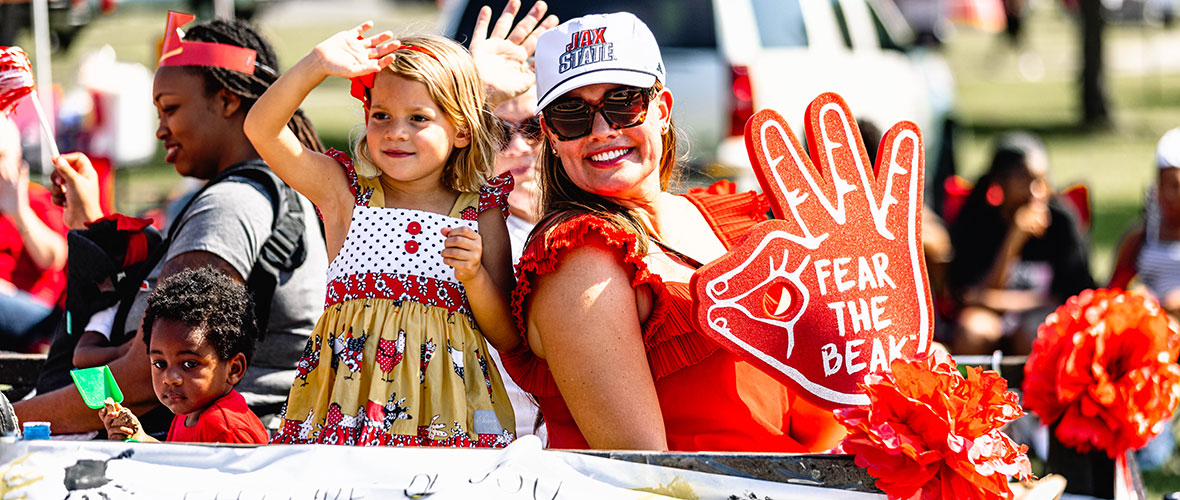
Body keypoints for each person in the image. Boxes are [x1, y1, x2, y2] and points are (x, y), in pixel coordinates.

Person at [498, 12, 846, 452]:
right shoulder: (579, 258)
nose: (603, 131)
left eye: (624, 103)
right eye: (572, 114)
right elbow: (643, 470)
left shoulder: (729, 221)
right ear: (550, 133)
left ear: (660, 110)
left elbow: (811, 427)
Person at [244, 3, 556, 446]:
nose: (396, 132)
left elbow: (506, 334)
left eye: (419, 119)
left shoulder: (480, 208)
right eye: (381, 115)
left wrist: (473, 277)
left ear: (463, 130)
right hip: (349, 411)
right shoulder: (345, 194)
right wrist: (317, 64)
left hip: (444, 419)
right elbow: (261, 128)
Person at [15, 14, 329, 438]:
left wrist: (14, 418)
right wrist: (90, 224)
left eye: (171, 108)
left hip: (206, 455)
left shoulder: (231, 207)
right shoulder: (262, 191)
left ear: (226, 100)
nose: (160, 129)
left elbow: (143, 381)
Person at [947, 132, 1094, 355]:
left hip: (1040, 316)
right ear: (1000, 182)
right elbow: (967, 294)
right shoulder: (977, 219)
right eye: (1027, 181)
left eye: (1043, 181)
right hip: (990, 317)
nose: (1037, 193)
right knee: (972, 332)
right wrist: (1014, 238)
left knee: (1034, 331)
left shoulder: (1061, 221)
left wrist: (993, 301)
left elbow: (1073, 295)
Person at [100, 267, 268, 444]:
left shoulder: (224, 429)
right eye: (159, 364)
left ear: (233, 369)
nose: (170, 378)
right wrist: (139, 438)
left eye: (189, 364)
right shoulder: (190, 410)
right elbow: (179, 461)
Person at [0, 115, 68, 352]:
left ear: (18, 158)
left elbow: (53, 258)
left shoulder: (37, 199)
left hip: (39, 315)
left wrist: (19, 213)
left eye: (1, 156)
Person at [1110, 128, 1180, 318]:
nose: (1171, 195)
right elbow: (1114, 289)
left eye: (1177, 186)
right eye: (1166, 185)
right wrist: (1136, 295)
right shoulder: (1138, 238)